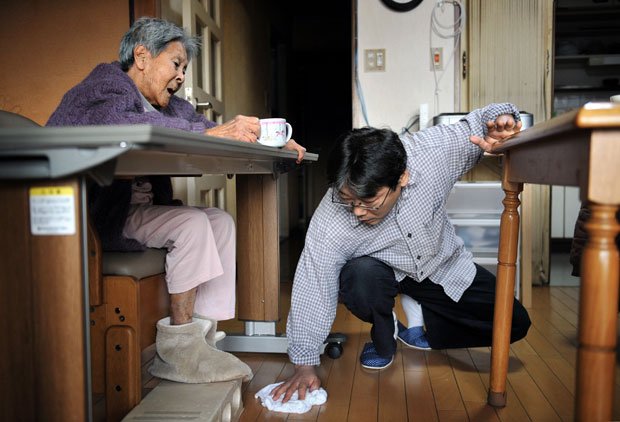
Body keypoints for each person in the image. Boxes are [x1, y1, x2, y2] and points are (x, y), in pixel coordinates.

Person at [47, 17, 305, 384]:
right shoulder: (104, 86)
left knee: (220, 220)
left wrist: (269, 137)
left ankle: (202, 339)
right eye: (176, 64)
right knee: (192, 224)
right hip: (93, 218)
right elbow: (121, 126)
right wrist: (219, 131)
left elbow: (204, 126)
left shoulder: (167, 107)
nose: (182, 76)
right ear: (141, 56)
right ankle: (179, 352)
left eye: (184, 68)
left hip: (132, 212)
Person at [271, 103, 532, 402]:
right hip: (382, 273)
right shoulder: (331, 218)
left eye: (369, 201)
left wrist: (501, 123)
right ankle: (385, 331)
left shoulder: (432, 154)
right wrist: (304, 365)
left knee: (515, 322)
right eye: (348, 200)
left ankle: (421, 325)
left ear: (403, 178)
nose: (357, 212)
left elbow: (482, 120)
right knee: (360, 275)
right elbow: (313, 284)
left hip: (440, 265)